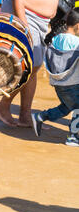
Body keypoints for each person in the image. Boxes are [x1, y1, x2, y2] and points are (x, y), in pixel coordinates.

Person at [32, 9, 79, 147]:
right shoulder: (77, 43)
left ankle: (40, 117)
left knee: (66, 107)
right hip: (73, 84)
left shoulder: (55, 38)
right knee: (77, 107)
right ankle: (73, 137)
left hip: (58, 83)